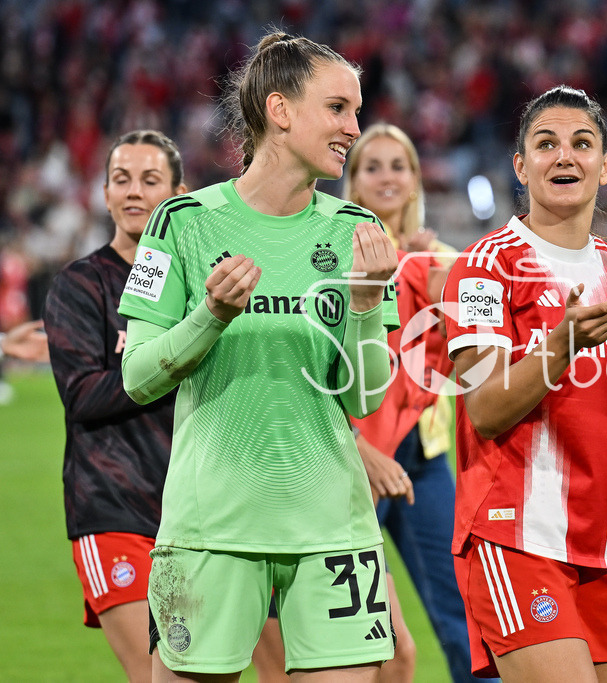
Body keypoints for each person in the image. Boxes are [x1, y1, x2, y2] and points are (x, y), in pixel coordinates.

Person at [118, 33, 399, 681]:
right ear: (280, 110)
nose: (353, 128)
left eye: (356, 111)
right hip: (212, 530)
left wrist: (361, 304)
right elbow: (136, 376)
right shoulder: (182, 222)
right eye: (337, 109)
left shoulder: (359, 231)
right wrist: (210, 316)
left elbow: (366, 397)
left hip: (332, 530)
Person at [440, 85, 607, 682]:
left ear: (605, 166)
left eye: (582, 144)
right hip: (516, 536)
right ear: (520, 166)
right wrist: (560, 345)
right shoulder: (484, 267)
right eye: (546, 143)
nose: (565, 157)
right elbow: (484, 408)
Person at [43, 130, 288, 682]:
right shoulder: (80, 285)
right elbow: (82, 395)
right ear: (103, 193)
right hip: (114, 508)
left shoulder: (209, 281)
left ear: (178, 194)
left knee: (279, 670)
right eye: (121, 180)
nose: (134, 192)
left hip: (210, 509)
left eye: (150, 181)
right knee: (161, 673)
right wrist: (165, 361)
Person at [343, 123, 498, 683]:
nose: (387, 177)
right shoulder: (334, 253)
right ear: (354, 183)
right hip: (353, 454)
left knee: (466, 615)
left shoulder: (444, 261)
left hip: (424, 455)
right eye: (372, 166)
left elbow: (474, 362)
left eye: (398, 165)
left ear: (414, 180)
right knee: (372, 640)